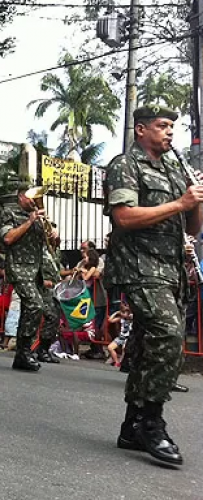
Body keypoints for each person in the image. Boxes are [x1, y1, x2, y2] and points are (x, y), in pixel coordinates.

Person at [104, 104, 202, 466]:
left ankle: (131, 426)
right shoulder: (125, 165)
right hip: (140, 266)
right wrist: (179, 202)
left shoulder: (176, 170)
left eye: (172, 126)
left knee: (147, 346)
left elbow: (192, 229)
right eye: (162, 125)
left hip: (170, 269)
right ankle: (151, 421)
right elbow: (125, 217)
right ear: (141, 129)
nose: (170, 132)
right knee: (169, 335)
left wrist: (194, 198)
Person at [1, 183, 62, 371]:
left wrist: (53, 234)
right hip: (19, 268)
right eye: (30, 196)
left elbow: (52, 245)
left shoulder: (41, 217)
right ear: (20, 197)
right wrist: (29, 221)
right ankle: (24, 351)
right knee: (34, 305)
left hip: (38, 270)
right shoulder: (10, 214)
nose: (34, 200)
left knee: (48, 309)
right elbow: (8, 238)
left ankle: (28, 352)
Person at [107, 301, 132, 368]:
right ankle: (117, 362)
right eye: (122, 312)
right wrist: (116, 313)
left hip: (128, 337)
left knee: (124, 348)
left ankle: (122, 361)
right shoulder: (120, 318)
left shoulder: (131, 318)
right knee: (110, 347)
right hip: (121, 337)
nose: (123, 314)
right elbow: (110, 320)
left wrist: (128, 313)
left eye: (125, 312)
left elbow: (131, 315)